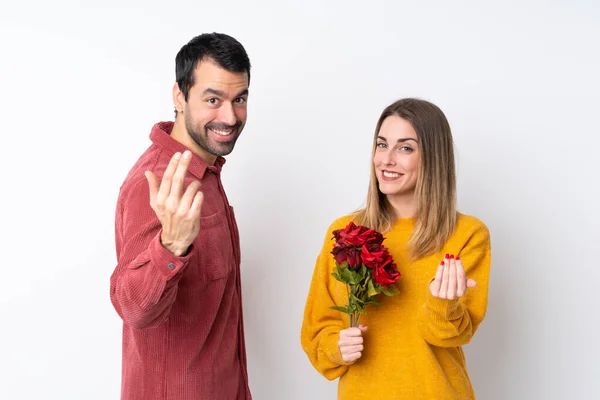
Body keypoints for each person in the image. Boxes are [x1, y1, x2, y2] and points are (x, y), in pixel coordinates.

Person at [301, 98, 491, 399]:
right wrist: (337, 347)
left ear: (433, 157)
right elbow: (317, 329)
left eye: (405, 148)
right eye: (381, 144)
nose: (386, 160)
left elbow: (452, 334)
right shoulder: (345, 234)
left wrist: (443, 305)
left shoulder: (467, 235)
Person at [109, 32, 252, 400]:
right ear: (179, 96)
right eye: (212, 99)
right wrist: (170, 246)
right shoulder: (155, 183)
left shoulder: (204, 170)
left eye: (240, 99)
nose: (229, 116)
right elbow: (133, 308)